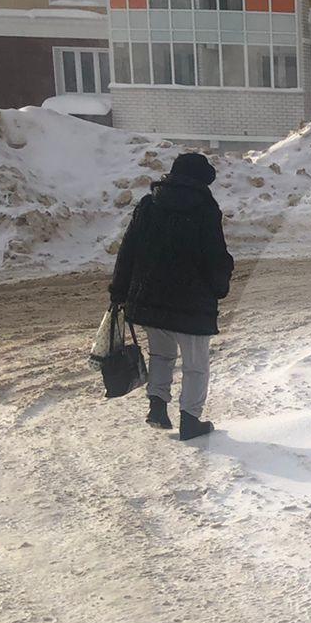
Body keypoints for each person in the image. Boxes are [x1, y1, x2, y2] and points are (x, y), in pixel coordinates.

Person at [107, 151, 233, 440]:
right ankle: (190, 419)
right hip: (192, 302)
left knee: (161, 354)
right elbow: (214, 254)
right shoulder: (205, 208)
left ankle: (157, 407)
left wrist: (119, 290)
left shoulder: (150, 204)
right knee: (195, 364)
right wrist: (220, 285)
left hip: (151, 297)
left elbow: (128, 251)